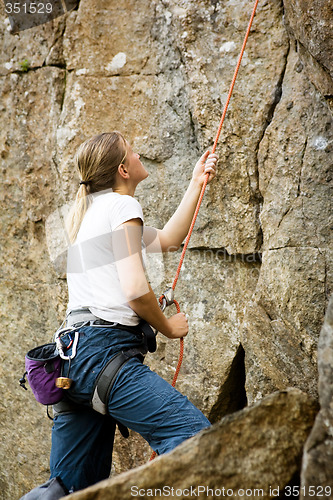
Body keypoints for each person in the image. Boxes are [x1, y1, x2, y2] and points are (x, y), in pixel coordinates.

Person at [21, 131, 218, 498]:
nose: (139, 151)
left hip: (71, 363)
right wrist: (168, 327)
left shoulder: (92, 213)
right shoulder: (122, 207)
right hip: (102, 355)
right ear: (124, 168)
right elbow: (134, 290)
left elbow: (168, 239)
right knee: (196, 439)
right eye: (132, 148)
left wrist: (195, 183)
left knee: (66, 488)